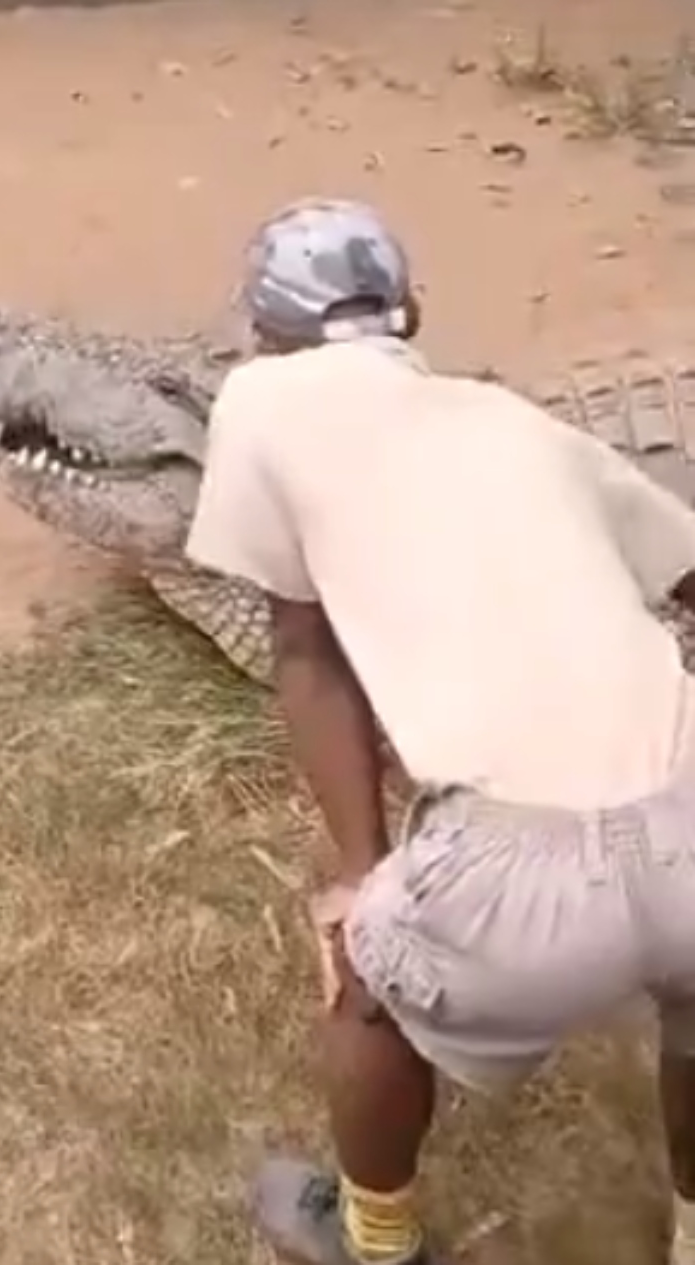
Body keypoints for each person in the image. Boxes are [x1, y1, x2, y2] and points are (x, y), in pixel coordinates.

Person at [186, 196, 695, 1265]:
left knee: (367, 985)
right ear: (410, 310)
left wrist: (363, 874)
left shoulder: (259, 399)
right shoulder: (517, 419)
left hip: (520, 864)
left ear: (259, 330)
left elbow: (306, 651)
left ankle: (374, 1239)